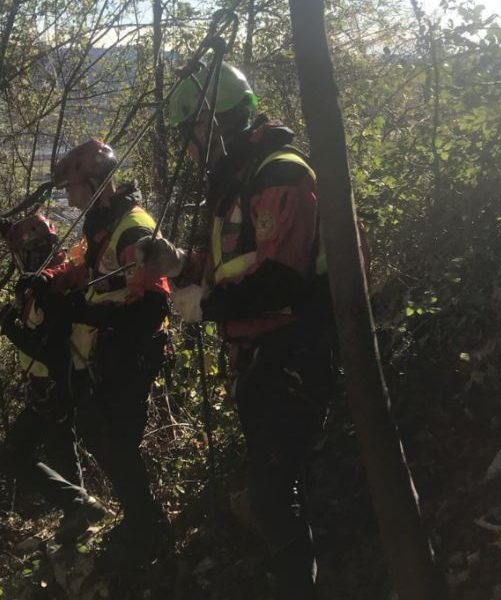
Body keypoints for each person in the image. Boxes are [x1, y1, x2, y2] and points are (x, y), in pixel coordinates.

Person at [137, 62, 352, 600]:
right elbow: (231, 269)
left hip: (293, 349)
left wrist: (205, 304)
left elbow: (281, 278)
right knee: (271, 491)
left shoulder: (278, 174)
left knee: (273, 493)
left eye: (189, 137)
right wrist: (180, 266)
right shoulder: (240, 185)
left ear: (211, 126)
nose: (188, 150)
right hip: (262, 355)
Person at [49, 138, 172, 564]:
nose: (68, 195)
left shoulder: (132, 228)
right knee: (96, 430)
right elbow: (94, 268)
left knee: (116, 440)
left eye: (73, 186)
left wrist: (92, 314)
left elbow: (154, 300)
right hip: (111, 350)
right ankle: (141, 519)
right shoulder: (101, 225)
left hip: (134, 347)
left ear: (95, 184)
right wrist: (58, 282)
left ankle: (147, 527)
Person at [0, 212, 111, 544]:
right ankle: (78, 514)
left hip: (56, 385)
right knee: (61, 449)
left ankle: (78, 504)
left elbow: (51, 349)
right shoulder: (51, 274)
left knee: (12, 453)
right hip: (57, 384)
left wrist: (10, 329)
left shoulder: (50, 285)